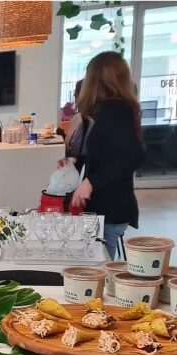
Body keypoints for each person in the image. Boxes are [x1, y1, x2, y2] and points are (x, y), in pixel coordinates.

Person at [60, 51, 144, 259]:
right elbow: (110, 152)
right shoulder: (110, 110)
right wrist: (76, 160)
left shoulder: (115, 111)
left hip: (111, 205)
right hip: (107, 204)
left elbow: (134, 155)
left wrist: (91, 182)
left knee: (100, 268)